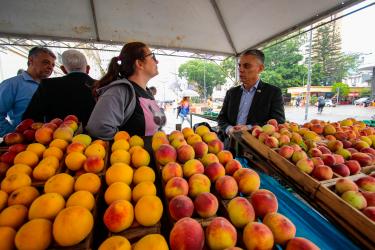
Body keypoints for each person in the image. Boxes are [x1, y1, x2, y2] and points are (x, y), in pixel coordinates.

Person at [86, 42, 166, 139]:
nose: (157, 61)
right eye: (152, 56)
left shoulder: (147, 92)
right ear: (139, 64)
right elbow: (98, 128)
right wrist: (128, 143)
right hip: (133, 153)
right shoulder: (120, 91)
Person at [217, 49, 285, 142]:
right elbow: (221, 118)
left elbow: (278, 121)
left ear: (260, 68)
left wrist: (249, 128)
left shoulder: (273, 92)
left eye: (246, 66)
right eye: (239, 65)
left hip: (256, 148)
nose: (240, 69)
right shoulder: (231, 93)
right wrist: (229, 129)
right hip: (230, 145)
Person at [22, 49, 96, 127]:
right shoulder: (102, 86)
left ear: (63, 69)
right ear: (87, 69)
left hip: (57, 137)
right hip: (99, 138)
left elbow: (31, 119)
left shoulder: (47, 85)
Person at [0, 46, 56, 136]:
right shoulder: (11, 84)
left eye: (53, 65)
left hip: (51, 141)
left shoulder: (51, 86)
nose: (50, 67)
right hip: (23, 144)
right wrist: (13, 134)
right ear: (31, 60)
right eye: (46, 62)